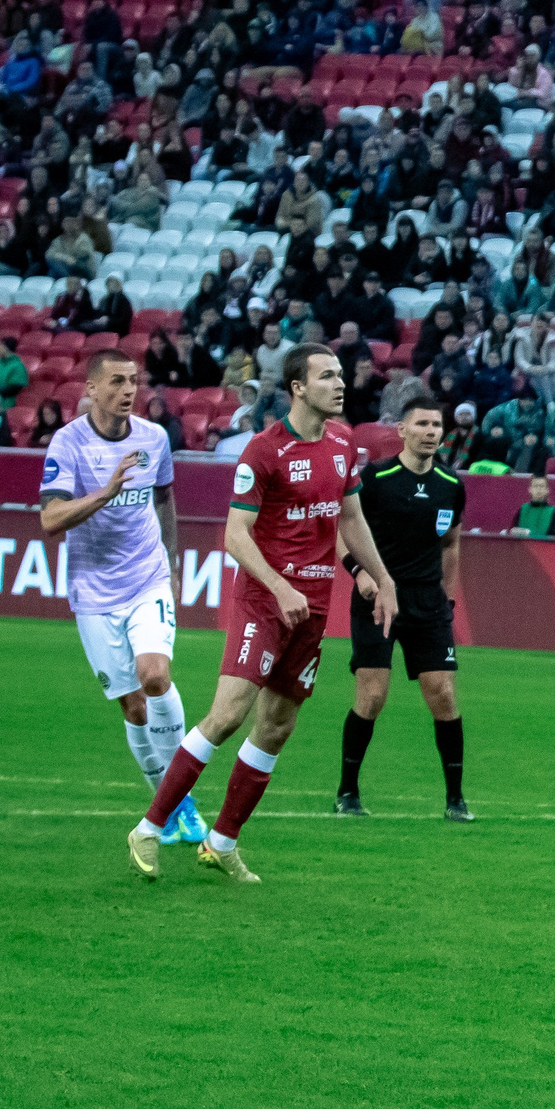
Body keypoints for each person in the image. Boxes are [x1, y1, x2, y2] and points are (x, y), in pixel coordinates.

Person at [126, 345, 400, 884]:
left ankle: (222, 841)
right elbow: (234, 536)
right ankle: (149, 827)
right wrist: (278, 587)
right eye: (327, 376)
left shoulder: (344, 443)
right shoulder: (264, 450)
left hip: (313, 605)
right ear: (298, 387)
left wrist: (381, 577)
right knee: (227, 715)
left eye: (341, 374)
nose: (340, 384)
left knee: (277, 726)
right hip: (265, 602)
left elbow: (350, 517)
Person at [38, 351, 201, 844]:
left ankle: (177, 795)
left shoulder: (154, 438)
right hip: (93, 591)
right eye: (116, 382)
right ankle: (173, 804)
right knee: (133, 708)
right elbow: (49, 520)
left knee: (156, 675)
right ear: (90, 389)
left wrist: (173, 562)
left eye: (133, 381)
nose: (128, 390)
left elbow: (165, 498)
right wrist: (106, 492)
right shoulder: (67, 444)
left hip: (148, 577)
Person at [335, 399, 472, 821]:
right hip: (377, 599)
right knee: (373, 695)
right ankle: (347, 792)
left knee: (444, 696)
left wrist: (447, 599)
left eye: (437, 424)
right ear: (402, 431)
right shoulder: (376, 478)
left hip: (427, 602)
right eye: (423, 424)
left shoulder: (451, 483)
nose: (431, 431)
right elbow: (341, 528)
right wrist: (358, 571)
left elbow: (451, 544)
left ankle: (455, 799)